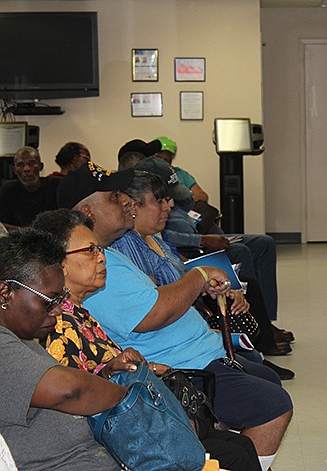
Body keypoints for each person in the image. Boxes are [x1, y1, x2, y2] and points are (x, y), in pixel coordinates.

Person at [56, 161, 292, 471]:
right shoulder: (96, 267)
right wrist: (199, 275)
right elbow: (154, 312)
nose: (126, 200)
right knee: (274, 405)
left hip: (197, 352)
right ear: (88, 213)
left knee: (267, 379)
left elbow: (159, 296)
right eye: (115, 197)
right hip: (182, 365)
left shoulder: (109, 254)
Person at [32, 209, 262, 471]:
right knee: (235, 454)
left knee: (241, 447)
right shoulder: (57, 323)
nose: (101, 258)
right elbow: (80, 399)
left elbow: (104, 372)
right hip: (121, 433)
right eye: (90, 251)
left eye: (100, 250)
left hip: (136, 413)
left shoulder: (80, 311)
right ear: (59, 262)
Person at [111, 170, 294, 377]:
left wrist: (215, 287)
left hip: (190, 317)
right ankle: (256, 355)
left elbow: (181, 276)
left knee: (243, 293)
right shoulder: (127, 244)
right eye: (160, 201)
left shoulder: (153, 238)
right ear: (134, 206)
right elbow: (156, 302)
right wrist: (201, 282)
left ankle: (259, 351)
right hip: (179, 333)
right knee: (260, 373)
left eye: (168, 200)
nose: (169, 206)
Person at [0, 228, 125, 470]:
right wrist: (131, 398)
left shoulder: (21, 337)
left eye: (61, 300)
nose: (57, 310)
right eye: (49, 301)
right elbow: (70, 391)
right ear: (5, 292)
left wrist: (104, 375)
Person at [0, 147, 61, 227]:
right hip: (20, 238)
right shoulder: (8, 191)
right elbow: (2, 226)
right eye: (20, 165)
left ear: (41, 166)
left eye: (31, 164)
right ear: (14, 170)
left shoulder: (55, 186)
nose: (26, 169)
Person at [153, 136, 210, 202]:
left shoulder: (180, 173)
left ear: (172, 158)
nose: (162, 162)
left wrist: (189, 198)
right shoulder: (148, 175)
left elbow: (203, 196)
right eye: (159, 158)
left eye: (166, 159)